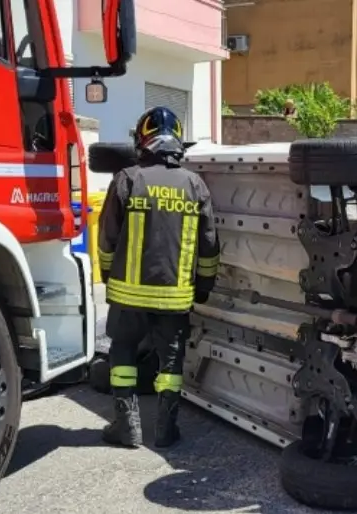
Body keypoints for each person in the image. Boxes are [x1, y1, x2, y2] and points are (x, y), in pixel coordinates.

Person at [96, 106, 221, 448]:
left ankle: (127, 428)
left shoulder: (128, 178)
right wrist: (205, 286)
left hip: (127, 294)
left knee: (122, 352)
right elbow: (209, 245)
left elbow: (106, 237)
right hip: (175, 297)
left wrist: (109, 274)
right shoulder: (195, 184)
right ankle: (165, 430)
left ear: (143, 141)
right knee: (170, 362)